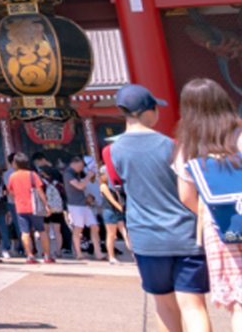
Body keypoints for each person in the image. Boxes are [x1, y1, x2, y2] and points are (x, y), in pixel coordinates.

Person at [111, 83, 211, 332]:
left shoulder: (113, 150)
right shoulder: (172, 145)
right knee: (194, 306)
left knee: (164, 307)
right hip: (185, 235)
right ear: (148, 111)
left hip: (147, 237)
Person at [175, 77, 242, 332]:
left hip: (220, 227)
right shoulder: (240, 134)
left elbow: (185, 196)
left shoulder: (188, 146)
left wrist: (214, 213)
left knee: (239, 301)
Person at [6, 153, 47, 264]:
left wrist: (15, 201)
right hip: (35, 207)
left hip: (20, 207)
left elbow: (10, 191)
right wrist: (46, 205)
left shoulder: (12, 176)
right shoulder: (32, 174)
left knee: (25, 232)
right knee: (41, 230)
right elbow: (39, 190)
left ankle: (29, 255)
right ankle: (47, 255)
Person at [63, 154, 103, 261]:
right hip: (75, 205)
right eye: (80, 166)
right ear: (73, 164)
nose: (81, 168)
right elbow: (80, 186)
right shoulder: (68, 174)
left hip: (83, 203)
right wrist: (88, 176)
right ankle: (79, 254)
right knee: (78, 229)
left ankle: (98, 252)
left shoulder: (75, 174)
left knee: (95, 226)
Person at [99, 150, 132, 267]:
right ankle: (112, 257)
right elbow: (112, 200)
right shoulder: (103, 186)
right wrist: (121, 208)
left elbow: (119, 197)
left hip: (117, 211)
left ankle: (135, 256)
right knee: (111, 235)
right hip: (110, 211)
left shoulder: (114, 185)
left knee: (125, 233)